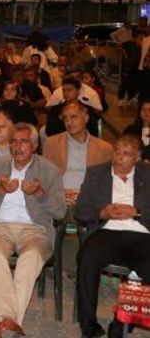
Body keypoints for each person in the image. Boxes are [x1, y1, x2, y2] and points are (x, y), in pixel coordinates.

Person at [0, 122, 66, 338]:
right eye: (13, 141)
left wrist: (40, 194)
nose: (17, 146)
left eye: (23, 141)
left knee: (30, 257)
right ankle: (9, 321)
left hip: (35, 230)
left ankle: (6, 321)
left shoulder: (49, 171)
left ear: (34, 145)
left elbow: (60, 212)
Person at [74, 134, 150, 338]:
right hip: (107, 231)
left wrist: (137, 211)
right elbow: (80, 211)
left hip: (141, 234)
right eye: (117, 150)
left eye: (126, 154)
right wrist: (102, 213)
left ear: (137, 158)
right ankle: (88, 323)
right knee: (87, 256)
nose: (119, 157)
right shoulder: (96, 173)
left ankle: (122, 322)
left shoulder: (148, 174)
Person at [43, 101, 113, 206]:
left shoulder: (104, 148)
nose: (69, 122)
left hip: (90, 198)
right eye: (65, 118)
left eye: (74, 117)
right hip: (59, 196)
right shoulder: (52, 143)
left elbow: (106, 182)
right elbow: (45, 176)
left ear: (86, 118)